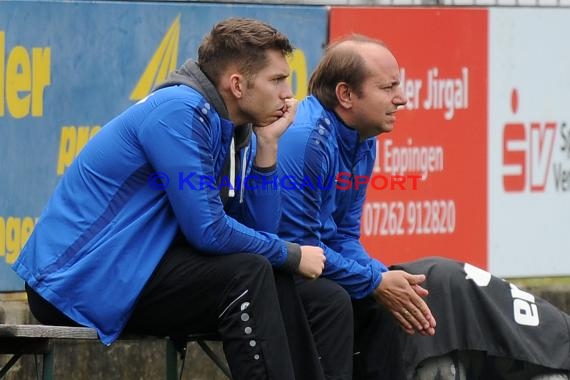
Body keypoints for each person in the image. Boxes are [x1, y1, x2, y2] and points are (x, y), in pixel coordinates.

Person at [12, 17, 328, 380]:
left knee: (269, 272)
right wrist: (290, 253)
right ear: (237, 84)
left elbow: (255, 231)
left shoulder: (231, 128)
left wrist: (268, 147)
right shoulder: (179, 110)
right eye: (277, 80)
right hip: (74, 283)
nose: (288, 93)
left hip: (133, 271)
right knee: (250, 271)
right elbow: (208, 231)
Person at [277, 35, 570, 379]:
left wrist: (384, 279)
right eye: (388, 88)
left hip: (317, 266)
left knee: (399, 298)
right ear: (346, 95)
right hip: (284, 271)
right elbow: (302, 249)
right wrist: (375, 280)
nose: (401, 99)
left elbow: (343, 235)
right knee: (354, 297)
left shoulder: (362, 139)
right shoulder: (307, 139)